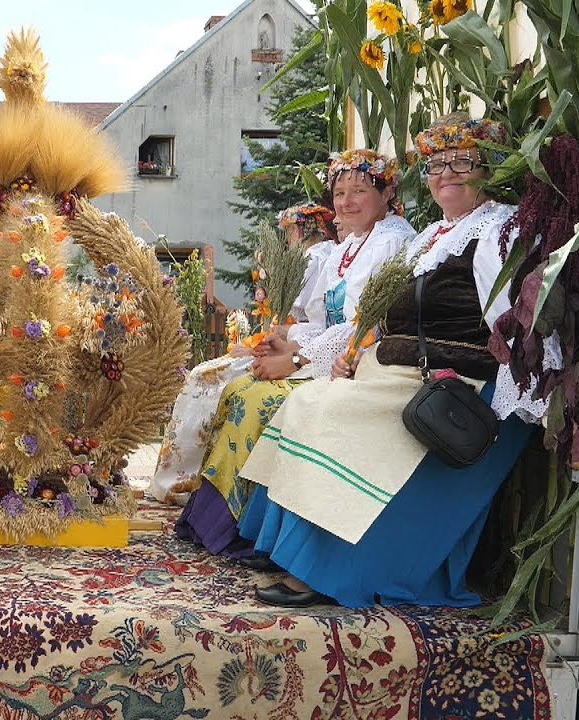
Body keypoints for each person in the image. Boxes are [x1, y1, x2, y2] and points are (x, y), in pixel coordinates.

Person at [238, 114, 555, 609]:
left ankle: (332, 570)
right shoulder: (431, 236)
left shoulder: (498, 231)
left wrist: (518, 398)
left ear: (488, 169)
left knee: (333, 414)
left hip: (453, 378)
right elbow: (381, 312)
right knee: (308, 404)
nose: (446, 173)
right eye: (436, 165)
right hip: (396, 366)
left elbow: (520, 322)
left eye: (461, 162)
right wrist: (348, 355)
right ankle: (295, 551)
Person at [174, 150, 416, 556]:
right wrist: (288, 340)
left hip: (357, 363)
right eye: (340, 193)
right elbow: (324, 321)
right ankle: (219, 522)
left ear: (387, 192)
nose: (346, 202)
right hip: (331, 354)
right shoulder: (351, 245)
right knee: (242, 391)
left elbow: (365, 326)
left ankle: (253, 533)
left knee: (260, 401)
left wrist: (297, 360)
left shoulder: (391, 241)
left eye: (359, 191)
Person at [149, 204, 338, 505]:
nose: (286, 237)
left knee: (208, 378)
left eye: (289, 231)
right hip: (290, 343)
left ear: (302, 229)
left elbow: (309, 324)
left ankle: (186, 481)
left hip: (301, 349)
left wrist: (275, 345)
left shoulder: (317, 257)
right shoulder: (321, 256)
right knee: (206, 374)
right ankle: (183, 479)